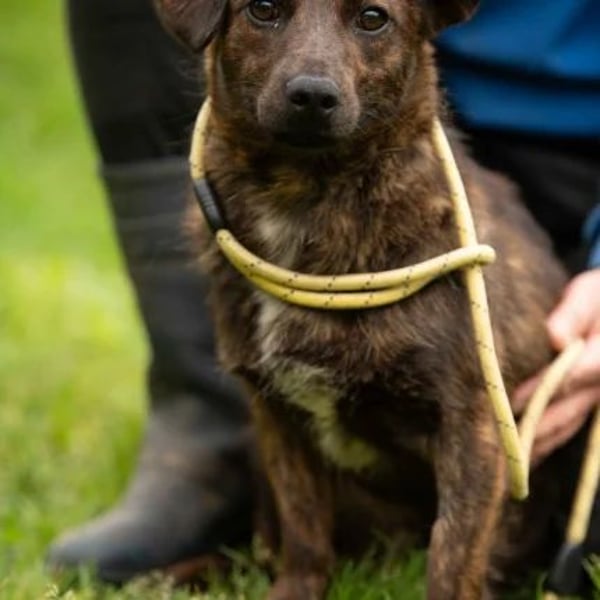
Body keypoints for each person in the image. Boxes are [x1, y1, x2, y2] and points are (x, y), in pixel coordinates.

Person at [48, 0, 600, 584]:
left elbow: (467, 422)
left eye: (370, 17)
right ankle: (213, 450)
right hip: (398, 98)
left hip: (567, 145)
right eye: (266, 9)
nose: (312, 76)